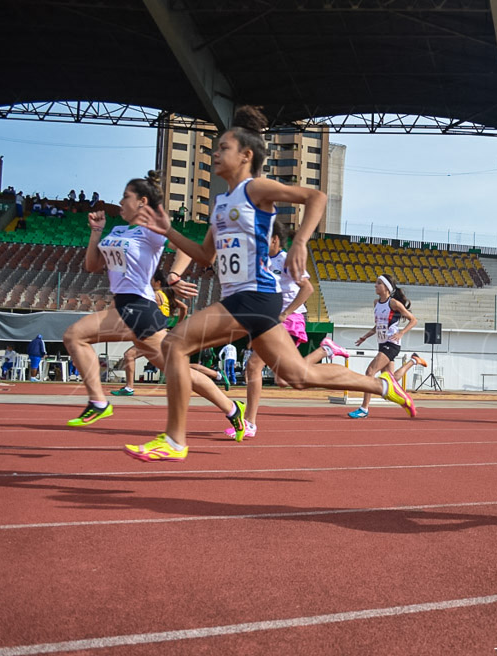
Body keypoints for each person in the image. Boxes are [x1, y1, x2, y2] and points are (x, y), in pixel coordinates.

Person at [126, 105, 415, 461]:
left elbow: (316, 198)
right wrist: (167, 230)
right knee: (297, 375)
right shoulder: (220, 204)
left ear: (245, 155)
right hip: (252, 302)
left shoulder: (255, 189)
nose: (215, 153)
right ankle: (380, 384)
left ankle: (174, 440)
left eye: (223, 148)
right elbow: (204, 257)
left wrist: (299, 242)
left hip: (254, 296)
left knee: (173, 345)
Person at [62, 171, 248, 431]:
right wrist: (96, 232)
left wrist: (173, 276)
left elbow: (184, 247)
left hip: (138, 307)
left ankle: (98, 402)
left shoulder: (150, 231)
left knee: (75, 336)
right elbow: (93, 265)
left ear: (141, 202)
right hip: (126, 306)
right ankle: (231, 408)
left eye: (126, 197)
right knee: (178, 370)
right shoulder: (117, 230)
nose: (121, 201)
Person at [230, 225, 350, 438]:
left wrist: (286, 312)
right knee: (284, 380)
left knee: (253, 365)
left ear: (275, 239)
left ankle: (250, 423)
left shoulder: (288, 260)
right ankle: (324, 350)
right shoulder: (262, 262)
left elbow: (308, 289)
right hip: (271, 321)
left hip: (290, 320)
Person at [349, 273, 426, 419]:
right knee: (389, 381)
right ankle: (413, 361)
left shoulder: (394, 304)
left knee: (370, 372)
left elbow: (413, 320)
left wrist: (401, 332)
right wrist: (365, 337)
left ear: (386, 288)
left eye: (378, 283)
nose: (375, 285)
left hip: (392, 343)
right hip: (382, 343)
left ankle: (364, 409)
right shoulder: (375, 303)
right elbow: (378, 326)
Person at [110, 270, 188, 396]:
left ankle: (129, 387)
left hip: (155, 335)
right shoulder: (164, 295)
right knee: (173, 366)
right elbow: (184, 308)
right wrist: (178, 326)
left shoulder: (154, 296)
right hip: (161, 334)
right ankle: (215, 374)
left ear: (157, 282)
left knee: (130, 355)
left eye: (150, 279)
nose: (148, 281)